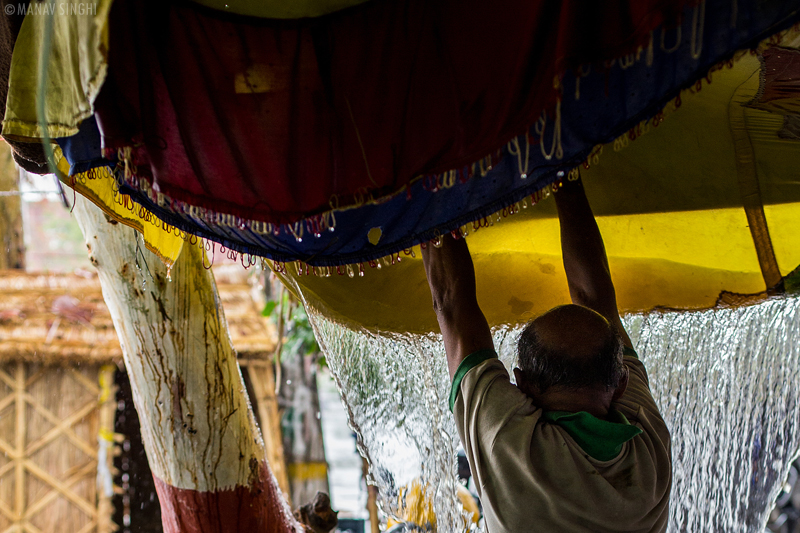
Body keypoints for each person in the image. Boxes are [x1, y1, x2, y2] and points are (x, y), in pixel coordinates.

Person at [422, 176, 672, 532]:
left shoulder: (511, 439)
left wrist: (565, 173)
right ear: (620, 384)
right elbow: (452, 307)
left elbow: (451, 302)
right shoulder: (648, 452)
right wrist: (424, 186)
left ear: (522, 383)